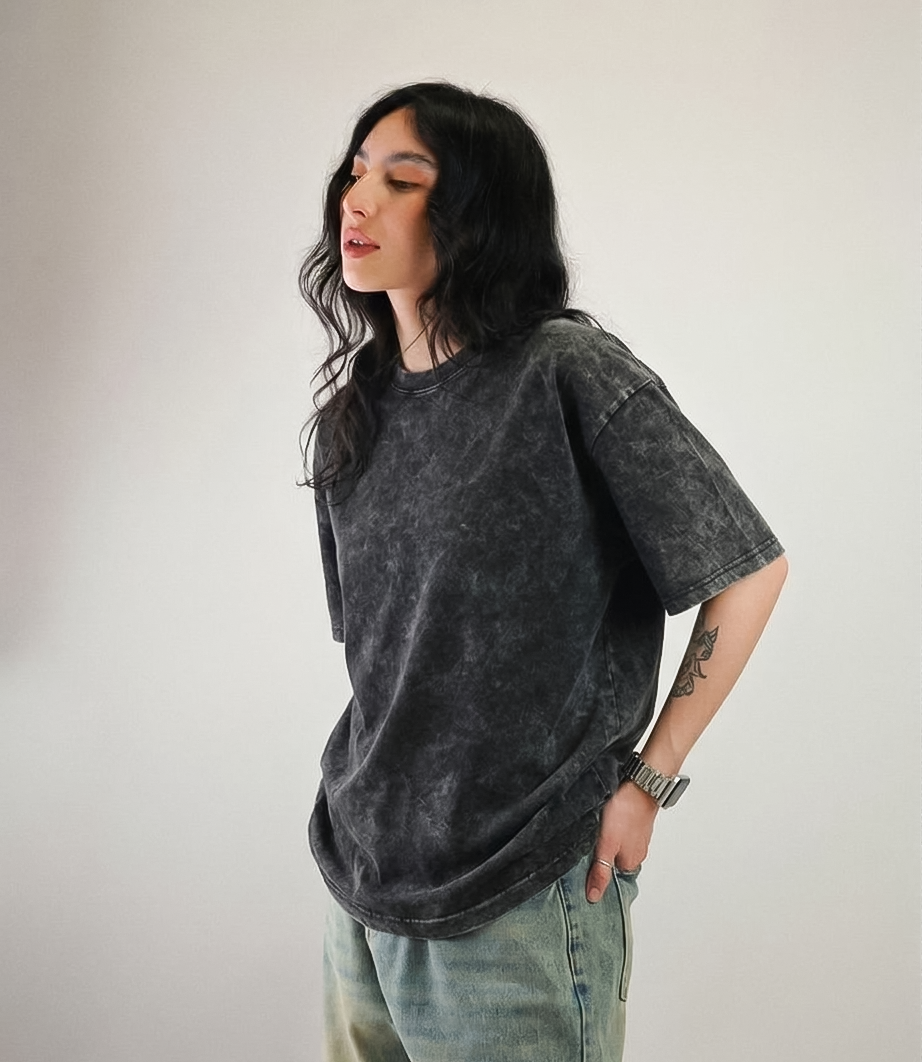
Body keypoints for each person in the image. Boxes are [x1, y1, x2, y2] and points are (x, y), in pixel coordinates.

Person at [300, 81, 787, 1062]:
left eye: (402, 179)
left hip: (520, 890)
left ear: (478, 211)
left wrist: (647, 782)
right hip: (361, 880)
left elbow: (748, 571)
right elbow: (391, 661)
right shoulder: (359, 409)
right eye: (356, 173)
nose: (358, 200)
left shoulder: (563, 370)